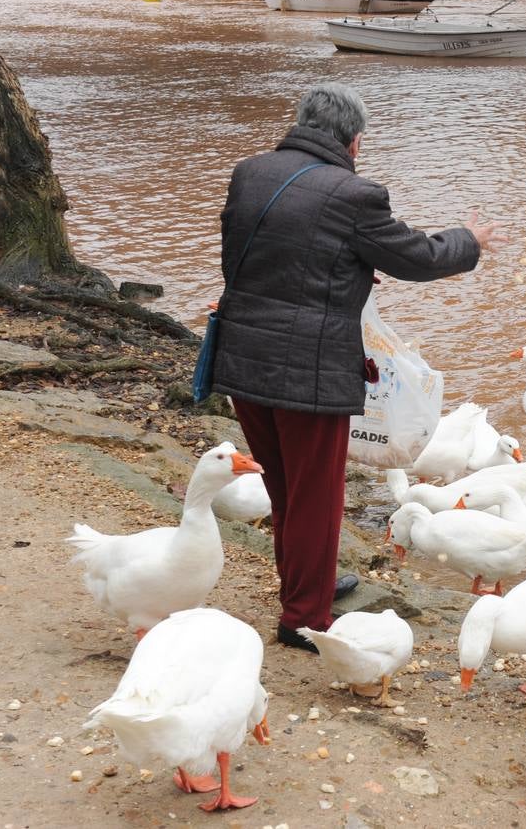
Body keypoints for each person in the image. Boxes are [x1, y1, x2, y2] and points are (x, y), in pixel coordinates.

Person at [211, 83, 505, 651]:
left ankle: (304, 589)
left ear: (300, 121)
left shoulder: (250, 173)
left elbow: (251, 255)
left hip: (244, 359)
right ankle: (306, 619)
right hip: (310, 372)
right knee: (317, 494)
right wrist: (468, 240)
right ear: (355, 141)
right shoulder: (355, 194)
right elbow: (415, 257)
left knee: (284, 484)